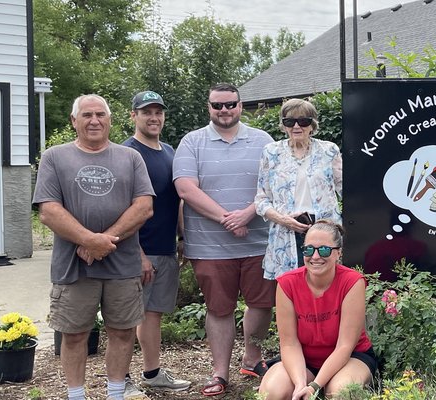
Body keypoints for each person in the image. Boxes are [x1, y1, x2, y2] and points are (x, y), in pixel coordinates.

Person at [33, 94, 154, 400]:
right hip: (73, 265)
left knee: (123, 331)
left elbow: (143, 207)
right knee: (73, 335)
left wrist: (104, 241)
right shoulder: (54, 157)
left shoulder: (130, 158)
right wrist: (88, 240)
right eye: (86, 115)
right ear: (74, 121)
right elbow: (48, 210)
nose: (94, 120)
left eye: (101, 114)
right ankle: (76, 395)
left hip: (122, 264)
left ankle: (115, 393)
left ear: (110, 120)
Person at [173, 83, 276, 396]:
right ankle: (220, 372)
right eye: (217, 105)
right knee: (219, 308)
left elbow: (275, 185)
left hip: (259, 240)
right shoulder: (192, 142)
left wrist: (247, 214)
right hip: (210, 245)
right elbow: (186, 189)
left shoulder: (264, 140)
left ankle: (252, 359)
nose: (224, 110)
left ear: (240, 105)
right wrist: (226, 219)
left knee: (261, 303)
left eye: (230, 104)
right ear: (209, 107)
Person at [258, 221, 378, 400]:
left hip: (349, 357)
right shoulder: (287, 284)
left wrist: (314, 386)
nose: (315, 256)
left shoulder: (352, 282)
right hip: (304, 360)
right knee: (273, 392)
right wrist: (300, 384)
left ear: (338, 253)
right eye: (308, 249)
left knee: (341, 392)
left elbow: (345, 345)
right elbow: (289, 344)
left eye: (324, 250)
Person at [122, 91, 192, 392]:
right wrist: (137, 254)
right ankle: (120, 380)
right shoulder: (126, 153)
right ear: (133, 116)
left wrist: (183, 237)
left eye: (158, 112)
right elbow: (122, 208)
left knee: (152, 316)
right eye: (146, 112)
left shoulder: (168, 151)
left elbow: (175, 201)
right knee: (126, 317)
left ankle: (152, 375)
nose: (153, 118)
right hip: (137, 251)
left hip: (164, 249)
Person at [255, 98, 343, 279]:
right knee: (291, 290)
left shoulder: (329, 151)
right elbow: (261, 199)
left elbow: (347, 190)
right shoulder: (271, 152)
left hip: (324, 233)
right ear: (283, 125)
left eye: (303, 121)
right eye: (290, 121)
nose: (297, 126)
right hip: (285, 234)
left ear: (313, 124)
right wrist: (283, 219)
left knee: (327, 287)